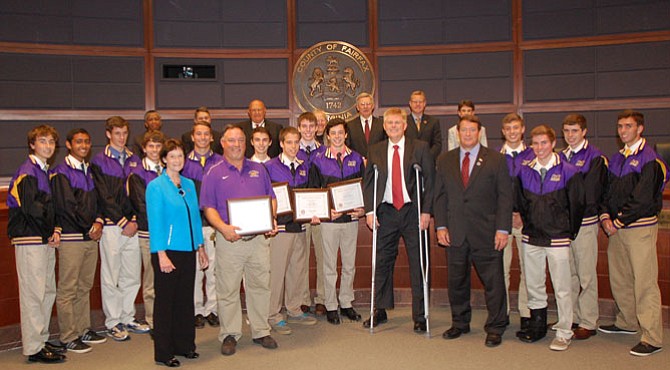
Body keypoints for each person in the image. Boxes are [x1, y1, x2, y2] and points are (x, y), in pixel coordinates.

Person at [200, 125, 279, 356]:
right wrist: (223, 228)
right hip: (229, 241)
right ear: (222, 143)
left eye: (240, 140)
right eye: (231, 141)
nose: (236, 145)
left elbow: (271, 199)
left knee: (260, 286)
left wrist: (271, 218)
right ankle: (230, 334)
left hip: (258, 241)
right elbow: (208, 208)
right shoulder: (213, 172)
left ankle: (261, 330)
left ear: (246, 144)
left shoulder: (258, 169)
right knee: (228, 290)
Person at [433, 114, 511, 347]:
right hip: (455, 232)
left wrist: (503, 229)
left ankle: (496, 326)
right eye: (463, 130)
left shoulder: (496, 159)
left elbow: (505, 198)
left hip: (487, 232)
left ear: (479, 132)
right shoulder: (445, 160)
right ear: (458, 133)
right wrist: (441, 225)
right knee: (456, 281)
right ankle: (460, 322)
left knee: (493, 282)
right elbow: (440, 196)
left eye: (472, 130)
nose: (467, 134)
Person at [599, 110, 667, 357]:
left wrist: (618, 220)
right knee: (621, 278)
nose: (623, 130)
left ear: (640, 129)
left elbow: (642, 198)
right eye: (619, 126)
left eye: (628, 126)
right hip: (615, 229)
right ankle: (626, 322)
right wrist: (605, 216)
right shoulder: (616, 159)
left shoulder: (651, 159)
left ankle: (652, 337)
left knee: (645, 283)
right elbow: (605, 192)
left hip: (639, 228)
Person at [362, 107, 434, 332]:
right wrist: (369, 211)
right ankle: (379, 310)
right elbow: (369, 182)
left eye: (397, 123)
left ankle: (420, 315)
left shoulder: (420, 148)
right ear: (384, 126)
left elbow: (430, 181)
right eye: (389, 123)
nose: (393, 126)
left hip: (413, 209)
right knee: (382, 261)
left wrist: (427, 212)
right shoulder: (375, 150)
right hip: (387, 211)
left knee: (418, 262)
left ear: (405, 126)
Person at [515, 125, 584, 351]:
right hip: (532, 237)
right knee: (534, 285)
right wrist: (530, 225)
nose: (539, 148)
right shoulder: (524, 171)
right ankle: (537, 326)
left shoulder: (569, 171)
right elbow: (522, 205)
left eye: (544, 143)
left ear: (553, 143)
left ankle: (564, 331)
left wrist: (567, 232)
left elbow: (577, 206)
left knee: (562, 287)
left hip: (558, 239)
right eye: (535, 143)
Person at [146, 139, 209, 367]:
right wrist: (161, 254)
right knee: (165, 303)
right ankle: (164, 353)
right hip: (167, 251)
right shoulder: (156, 186)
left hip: (188, 249)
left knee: (185, 300)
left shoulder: (189, 184)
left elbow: (195, 218)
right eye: (171, 156)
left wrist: (200, 247)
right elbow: (156, 222)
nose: (176, 160)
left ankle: (185, 345)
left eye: (180, 156)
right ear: (164, 159)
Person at [7, 125, 66, 363]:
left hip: (44, 239)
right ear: (32, 144)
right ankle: (33, 347)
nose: (48, 146)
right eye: (42, 141)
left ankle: (41, 338)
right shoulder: (27, 172)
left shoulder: (44, 171)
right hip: (30, 238)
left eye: (51, 142)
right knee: (33, 293)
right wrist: (50, 231)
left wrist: (56, 230)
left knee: (47, 290)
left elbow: (51, 207)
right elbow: (33, 209)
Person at [90, 116, 150, 341]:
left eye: (124, 133)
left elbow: (138, 193)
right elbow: (103, 196)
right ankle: (113, 321)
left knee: (132, 274)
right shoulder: (99, 161)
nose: (121, 137)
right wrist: (122, 221)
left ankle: (128, 316)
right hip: (112, 227)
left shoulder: (135, 159)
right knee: (111, 275)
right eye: (117, 133)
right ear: (108, 134)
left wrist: (134, 219)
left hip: (133, 225)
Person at [52, 128, 106, 354]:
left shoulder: (90, 170)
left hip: (90, 236)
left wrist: (100, 222)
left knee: (84, 286)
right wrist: (90, 227)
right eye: (78, 142)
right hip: (73, 236)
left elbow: (99, 199)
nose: (83, 145)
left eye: (86, 141)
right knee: (68, 289)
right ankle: (68, 336)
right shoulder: (61, 172)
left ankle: (83, 329)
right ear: (68, 144)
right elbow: (66, 206)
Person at [309, 118, 365, 325]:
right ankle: (331, 305)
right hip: (329, 222)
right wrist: (325, 212)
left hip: (350, 220)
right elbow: (314, 191)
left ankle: (346, 302)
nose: (337, 136)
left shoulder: (357, 159)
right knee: (329, 266)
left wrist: (361, 210)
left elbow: (363, 189)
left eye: (341, 132)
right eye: (333, 133)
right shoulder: (318, 159)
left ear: (346, 134)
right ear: (328, 136)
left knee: (349, 265)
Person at [264, 126, 318, 335]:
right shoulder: (270, 167)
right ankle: (273, 314)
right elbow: (265, 197)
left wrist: (314, 212)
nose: (293, 146)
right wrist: (270, 220)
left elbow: (312, 195)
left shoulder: (305, 166)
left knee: (297, 271)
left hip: (300, 227)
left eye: (296, 142)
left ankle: (294, 309)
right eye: (289, 142)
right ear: (281, 144)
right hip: (280, 229)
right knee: (277, 273)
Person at [558, 114, 607, 340]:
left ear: (584, 131)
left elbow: (590, 193)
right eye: (567, 131)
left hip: (585, 223)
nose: (570, 135)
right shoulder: (560, 156)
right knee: (570, 275)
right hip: (565, 225)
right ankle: (574, 317)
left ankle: (588, 321)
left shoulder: (595, 157)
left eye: (574, 131)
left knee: (586, 275)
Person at [181, 120, 222, 329]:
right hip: (193, 224)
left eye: (207, 134)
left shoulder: (221, 162)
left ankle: (212, 309)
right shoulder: (184, 164)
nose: (203, 138)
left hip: (215, 224)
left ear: (212, 137)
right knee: (196, 269)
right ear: (192, 137)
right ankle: (196, 309)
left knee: (214, 269)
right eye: (199, 134)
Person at [127, 130, 166, 333]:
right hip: (148, 232)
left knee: (167, 278)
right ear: (144, 148)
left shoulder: (168, 171)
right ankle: (152, 320)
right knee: (151, 279)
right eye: (151, 146)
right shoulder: (138, 174)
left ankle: (166, 317)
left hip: (169, 233)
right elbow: (141, 205)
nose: (155, 150)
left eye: (158, 146)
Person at [498, 113, 534, 335]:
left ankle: (526, 313)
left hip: (526, 221)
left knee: (527, 269)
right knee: (500, 269)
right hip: (501, 222)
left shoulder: (533, 155)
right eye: (508, 128)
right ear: (503, 132)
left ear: (522, 130)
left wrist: (522, 212)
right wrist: (505, 215)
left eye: (515, 128)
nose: (512, 132)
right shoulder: (495, 157)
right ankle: (502, 313)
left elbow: (536, 189)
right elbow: (494, 192)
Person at [297, 112, 326, 315]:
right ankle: (302, 298)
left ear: (317, 128)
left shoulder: (325, 152)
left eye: (311, 126)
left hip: (321, 213)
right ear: (299, 128)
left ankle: (322, 298)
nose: (308, 130)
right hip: (299, 214)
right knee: (301, 257)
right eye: (304, 126)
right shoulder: (291, 150)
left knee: (324, 257)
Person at [345, 92, 386, 158]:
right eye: (362, 104)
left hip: (378, 163)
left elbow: (385, 145)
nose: (365, 107)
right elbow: (347, 147)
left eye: (368, 104)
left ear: (373, 106)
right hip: (357, 164)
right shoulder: (350, 125)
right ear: (357, 107)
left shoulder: (382, 124)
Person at [405, 90, 442, 160]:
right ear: (410, 103)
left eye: (420, 102)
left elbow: (437, 144)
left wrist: (427, 157)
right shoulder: (403, 121)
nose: (418, 104)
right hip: (408, 162)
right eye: (415, 102)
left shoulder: (433, 121)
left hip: (429, 162)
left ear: (424, 103)